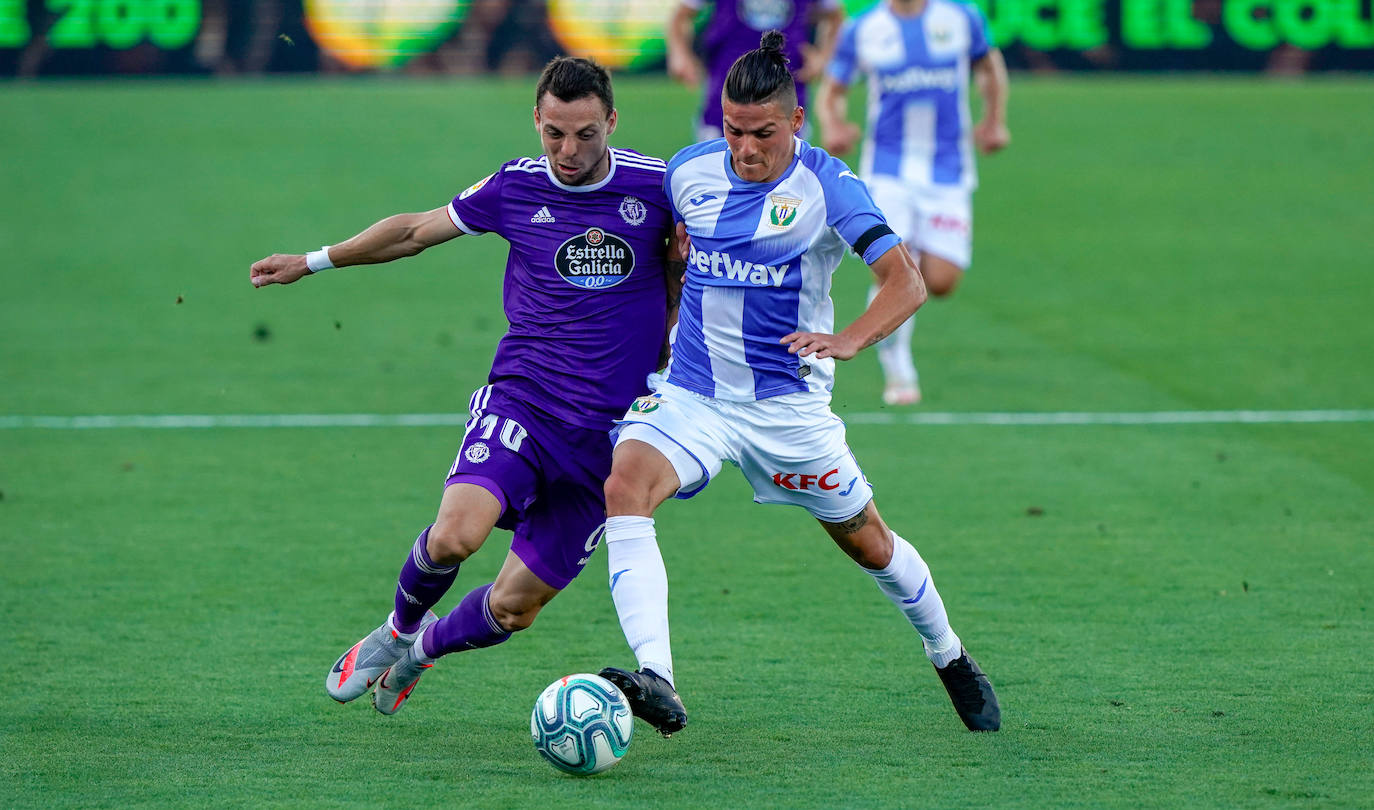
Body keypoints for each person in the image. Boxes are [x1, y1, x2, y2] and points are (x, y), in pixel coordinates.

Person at [596, 32, 1000, 737]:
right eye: (732, 130)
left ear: (797, 123)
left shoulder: (829, 185)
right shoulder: (689, 172)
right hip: (694, 395)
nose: (745, 149)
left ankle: (950, 654)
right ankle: (657, 676)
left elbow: (904, 282)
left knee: (868, 542)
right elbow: (666, 251)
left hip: (788, 410)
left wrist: (849, 340)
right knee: (624, 487)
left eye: (762, 134)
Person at [249, 57, 680, 715]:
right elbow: (419, 231)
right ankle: (395, 632)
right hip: (525, 403)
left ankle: (419, 656)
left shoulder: (660, 188)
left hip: (612, 445)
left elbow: (709, 268)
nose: (568, 150)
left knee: (513, 608)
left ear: (612, 122)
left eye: (586, 134)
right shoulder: (517, 185)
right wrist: (312, 262)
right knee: (455, 535)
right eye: (555, 132)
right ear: (537, 119)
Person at [816, 0, 1010, 405]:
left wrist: (994, 119)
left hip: (948, 169)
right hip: (889, 171)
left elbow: (990, 67)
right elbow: (831, 89)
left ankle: (898, 340)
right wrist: (834, 124)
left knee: (940, 281)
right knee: (892, 270)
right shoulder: (864, 27)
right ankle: (898, 366)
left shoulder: (961, 17)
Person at [666, 0, 844, 141]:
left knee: (783, 167)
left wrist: (823, 57)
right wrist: (679, 54)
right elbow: (681, 16)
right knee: (718, 163)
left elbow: (834, 17)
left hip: (786, 83)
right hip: (728, 83)